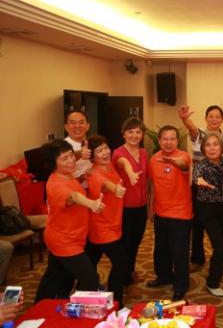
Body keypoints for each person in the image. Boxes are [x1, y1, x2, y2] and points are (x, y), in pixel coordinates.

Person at [35, 139, 104, 302]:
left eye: (71, 155)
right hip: (65, 240)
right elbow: (73, 196)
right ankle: (80, 311)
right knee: (90, 280)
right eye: (64, 158)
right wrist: (91, 204)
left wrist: (81, 178)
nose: (71, 160)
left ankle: (40, 308)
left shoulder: (67, 176)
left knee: (56, 278)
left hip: (68, 236)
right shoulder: (55, 184)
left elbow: (73, 189)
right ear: (53, 164)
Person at [179, 105, 223, 272]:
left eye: (217, 116)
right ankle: (197, 258)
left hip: (221, 189)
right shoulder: (201, 134)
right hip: (200, 187)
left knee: (222, 227)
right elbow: (192, 128)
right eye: (211, 116)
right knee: (197, 225)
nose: (214, 119)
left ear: (222, 119)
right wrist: (185, 119)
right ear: (205, 118)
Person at [147, 126, 193, 301]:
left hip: (180, 213)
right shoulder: (154, 159)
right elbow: (153, 184)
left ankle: (181, 284)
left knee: (179, 252)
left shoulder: (184, 156)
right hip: (161, 212)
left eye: (172, 139)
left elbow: (183, 165)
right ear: (159, 141)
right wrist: (151, 206)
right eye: (165, 139)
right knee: (161, 249)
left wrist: (174, 162)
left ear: (177, 141)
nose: (168, 142)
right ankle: (163, 276)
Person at [85, 135, 128, 308]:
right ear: (92, 157)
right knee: (121, 262)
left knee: (90, 262)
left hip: (112, 222)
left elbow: (121, 162)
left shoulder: (109, 166)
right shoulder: (94, 174)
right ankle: (117, 303)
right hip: (102, 227)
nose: (105, 152)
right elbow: (105, 184)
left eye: (105, 148)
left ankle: (84, 292)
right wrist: (115, 188)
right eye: (99, 151)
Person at [112, 117, 148, 299]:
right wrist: (130, 171)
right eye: (130, 131)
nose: (134, 135)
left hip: (141, 205)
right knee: (125, 245)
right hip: (124, 207)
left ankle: (130, 271)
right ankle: (127, 282)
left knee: (136, 241)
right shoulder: (118, 153)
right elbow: (122, 162)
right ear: (123, 134)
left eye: (138, 132)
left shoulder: (143, 152)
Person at [192, 133, 223, 297]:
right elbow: (196, 177)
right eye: (208, 145)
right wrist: (199, 181)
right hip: (206, 209)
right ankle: (212, 282)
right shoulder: (201, 165)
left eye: (215, 144)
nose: (212, 148)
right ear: (203, 148)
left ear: (221, 148)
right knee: (219, 247)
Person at [63, 110, 92, 184]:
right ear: (66, 127)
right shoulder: (62, 146)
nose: (77, 126)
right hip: (74, 188)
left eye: (81, 122)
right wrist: (79, 154)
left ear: (88, 126)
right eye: (73, 123)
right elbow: (60, 161)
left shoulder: (91, 142)